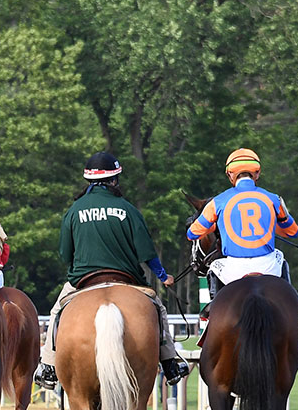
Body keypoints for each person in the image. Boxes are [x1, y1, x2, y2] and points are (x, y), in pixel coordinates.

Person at [34, 152, 190, 390]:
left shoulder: (74, 211)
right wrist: (163, 277)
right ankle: (170, 362)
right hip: (126, 281)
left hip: (83, 281)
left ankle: (47, 365)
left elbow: (65, 255)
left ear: (88, 180)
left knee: (57, 311)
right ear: (114, 180)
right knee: (158, 308)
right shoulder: (128, 209)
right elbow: (146, 253)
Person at [187, 148, 297, 300]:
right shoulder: (274, 199)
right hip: (268, 266)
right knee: (280, 257)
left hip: (234, 268)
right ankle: (290, 301)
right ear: (257, 173)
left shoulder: (217, 201)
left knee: (214, 266)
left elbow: (192, 233)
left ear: (230, 175)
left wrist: (215, 225)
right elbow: (292, 231)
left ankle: (211, 313)